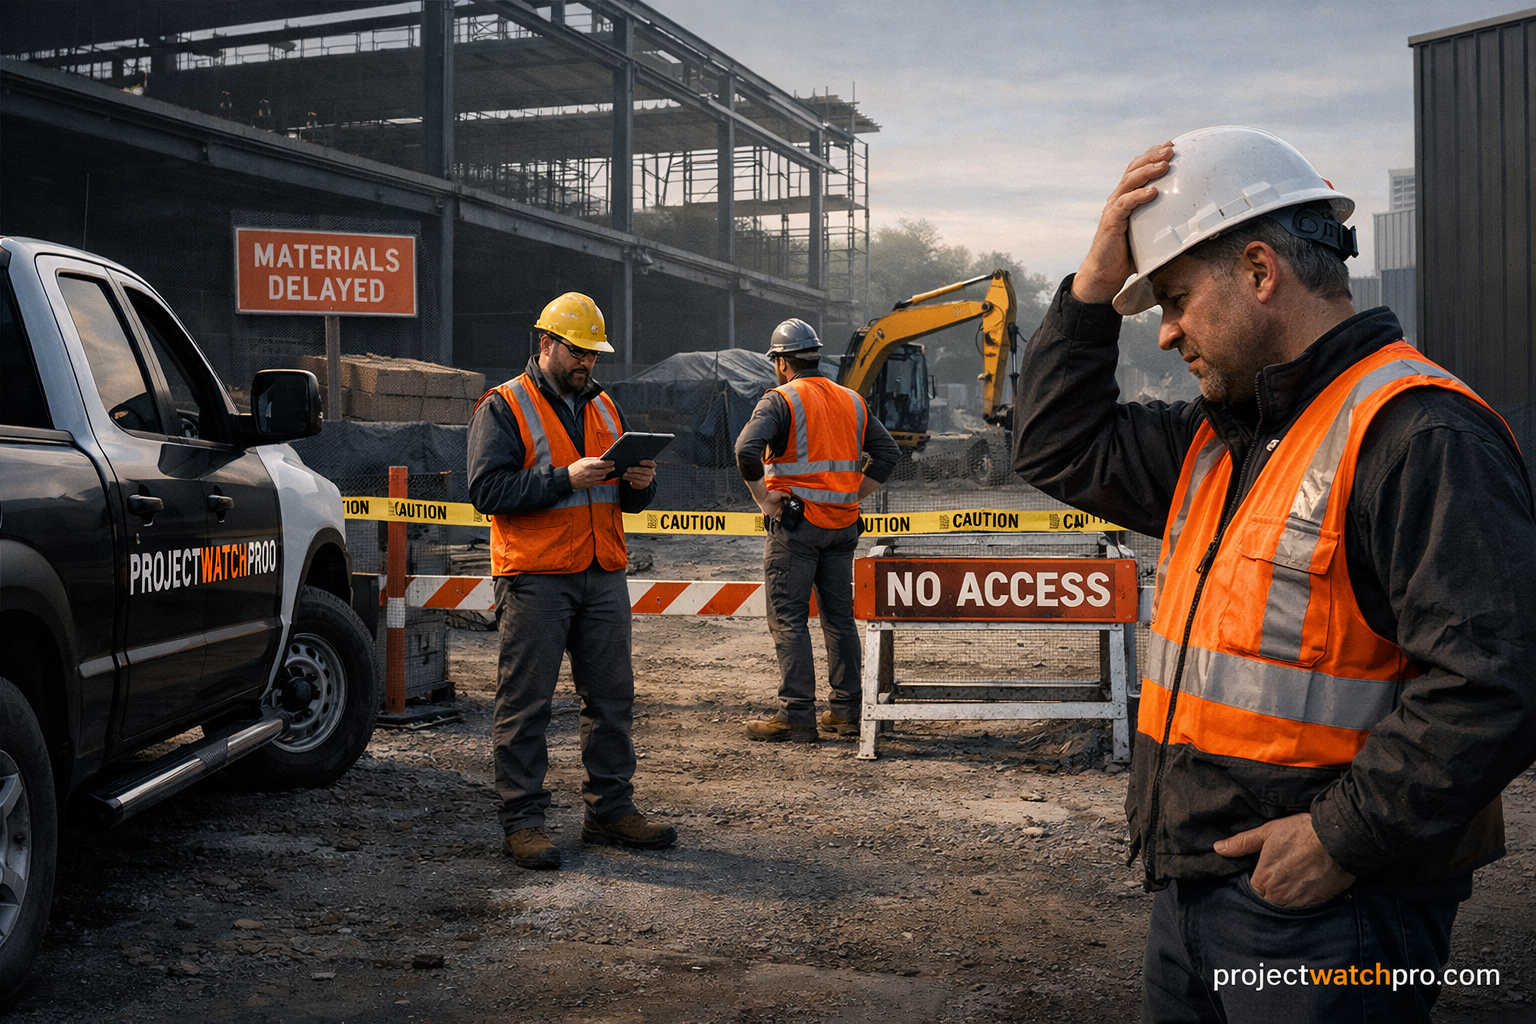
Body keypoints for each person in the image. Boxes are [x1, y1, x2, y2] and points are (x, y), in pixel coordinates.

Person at [1010, 125, 1536, 1022]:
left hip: (1333, 908)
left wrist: (1342, 838)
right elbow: (1058, 445)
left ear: (1259, 271)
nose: (1167, 331)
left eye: (1174, 298)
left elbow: (1497, 681)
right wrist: (1092, 292)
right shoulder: (1222, 436)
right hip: (1193, 888)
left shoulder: (1419, 435)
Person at [466, 291, 676, 870]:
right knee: (525, 704)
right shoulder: (503, 405)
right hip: (536, 578)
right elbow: (487, 491)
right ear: (546, 344)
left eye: (593, 354)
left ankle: (609, 811)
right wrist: (564, 478)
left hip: (601, 573)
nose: (587, 363)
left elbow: (633, 500)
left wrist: (641, 481)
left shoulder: (606, 407)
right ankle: (523, 823)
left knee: (611, 700)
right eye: (577, 351)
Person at [734, 318, 900, 742]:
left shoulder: (779, 401)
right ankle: (845, 712)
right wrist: (852, 492)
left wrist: (763, 499)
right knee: (839, 618)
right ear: (815, 357)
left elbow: (746, 450)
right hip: (842, 526)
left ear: (782, 362)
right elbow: (887, 453)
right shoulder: (852, 400)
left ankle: (796, 716)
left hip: (797, 527)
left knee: (788, 619)